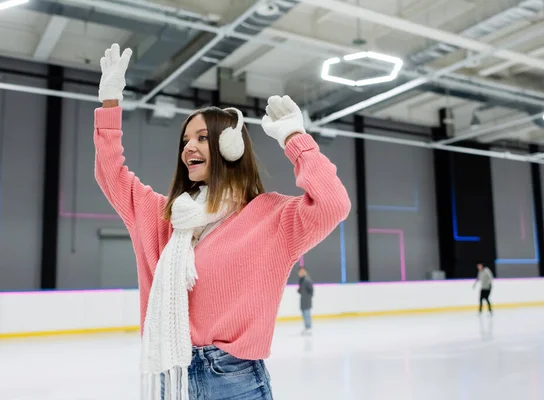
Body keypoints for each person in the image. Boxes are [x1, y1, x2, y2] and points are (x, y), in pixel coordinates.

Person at [93, 44, 351, 400]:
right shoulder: (165, 217)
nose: (188, 148)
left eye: (201, 138)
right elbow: (112, 175)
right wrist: (109, 104)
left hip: (234, 380)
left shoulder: (271, 217)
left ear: (230, 147)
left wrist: (296, 140)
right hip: (174, 376)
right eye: (185, 140)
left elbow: (333, 204)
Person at [297, 267, 314, 335]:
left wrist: (308, 297)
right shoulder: (301, 280)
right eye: (300, 272)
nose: (301, 273)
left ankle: (309, 327)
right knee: (304, 314)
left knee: (307, 314)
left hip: (307, 300)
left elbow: (311, 290)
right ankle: (306, 327)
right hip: (303, 300)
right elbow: (301, 290)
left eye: (303, 271)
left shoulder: (307, 280)